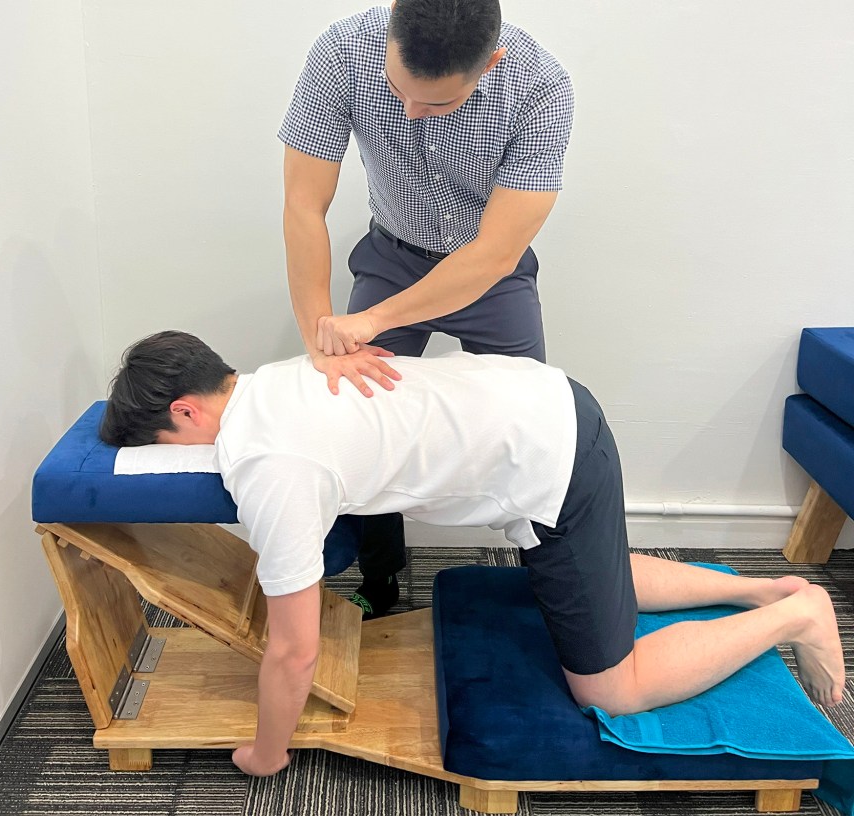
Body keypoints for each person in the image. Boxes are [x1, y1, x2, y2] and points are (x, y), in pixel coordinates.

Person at [100, 331, 845, 778]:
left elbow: (293, 653)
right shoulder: (276, 379)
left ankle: (799, 613)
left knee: (611, 691)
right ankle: (763, 592)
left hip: (554, 452)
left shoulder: (270, 464)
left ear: (187, 412)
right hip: (547, 405)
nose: (180, 463)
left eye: (170, 449)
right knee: (592, 572)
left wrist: (267, 752)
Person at [279, 0, 575, 617]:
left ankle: (547, 585)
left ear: (489, 64)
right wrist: (320, 341)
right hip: (392, 254)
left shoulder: (541, 85)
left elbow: (494, 253)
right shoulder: (341, 49)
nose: (412, 111)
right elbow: (304, 206)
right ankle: (382, 580)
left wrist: (372, 321)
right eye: (398, 88)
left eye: (437, 103)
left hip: (490, 272)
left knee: (537, 419)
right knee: (360, 415)